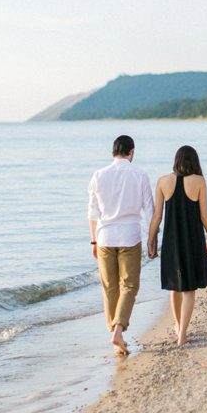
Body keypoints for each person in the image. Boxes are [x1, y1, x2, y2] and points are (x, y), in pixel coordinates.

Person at [87, 134, 153, 355]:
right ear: (131, 152)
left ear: (113, 152)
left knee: (109, 286)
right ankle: (118, 329)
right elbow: (150, 211)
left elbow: (92, 213)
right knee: (130, 285)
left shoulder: (98, 175)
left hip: (104, 237)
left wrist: (94, 240)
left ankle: (115, 331)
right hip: (130, 237)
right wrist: (153, 238)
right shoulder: (140, 175)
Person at [146, 144, 207, 346]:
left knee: (174, 288)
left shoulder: (162, 182)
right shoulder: (199, 181)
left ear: (176, 160)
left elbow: (157, 216)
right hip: (192, 240)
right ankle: (182, 333)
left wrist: (151, 239)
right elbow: (204, 215)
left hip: (171, 242)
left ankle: (178, 327)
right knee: (189, 290)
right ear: (194, 161)